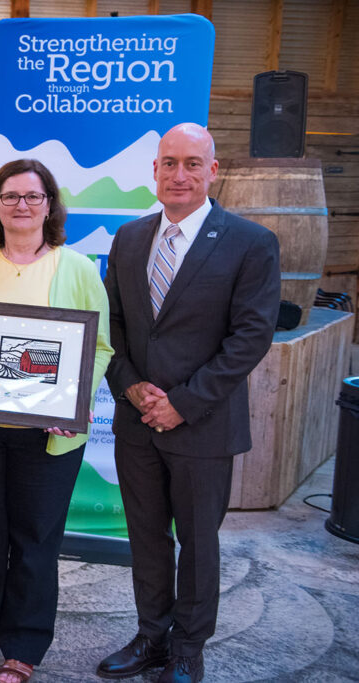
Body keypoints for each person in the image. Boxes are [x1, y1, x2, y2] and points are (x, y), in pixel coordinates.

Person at [97, 123, 280, 683]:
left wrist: (182, 403)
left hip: (201, 425)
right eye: (169, 163)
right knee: (146, 538)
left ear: (212, 171)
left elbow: (249, 338)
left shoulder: (251, 243)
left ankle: (188, 649)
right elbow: (115, 326)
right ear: (153, 170)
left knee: (198, 544)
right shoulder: (129, 238)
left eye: (192, 164)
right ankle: (152, 637)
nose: (179, 174)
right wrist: (129, 386)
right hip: (136, 421)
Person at [0, 159, 114, 683]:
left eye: (32, 197)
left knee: (36, 540)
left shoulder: (78, 268)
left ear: (50, 206)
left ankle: (24, 646)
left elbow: (100, 345)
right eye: (9, 196)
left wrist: (74, 400)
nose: (21, 205)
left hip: (49, 437)